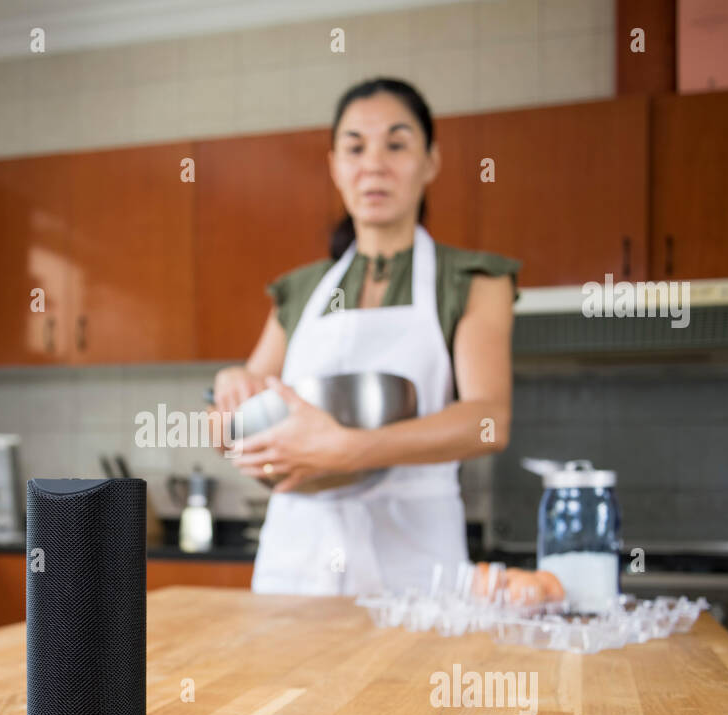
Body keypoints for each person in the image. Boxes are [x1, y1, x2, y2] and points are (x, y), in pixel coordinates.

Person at [213, 77, 519, 596]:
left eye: (396, 145)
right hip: (298, 563)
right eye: (355, 147)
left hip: (415, 565)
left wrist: (353, 450)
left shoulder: (472, 280)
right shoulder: (300, 290)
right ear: (335, 165)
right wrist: (230, 388)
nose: (373, 164)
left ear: (431, 162)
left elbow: (490, 420)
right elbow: (232, 427)